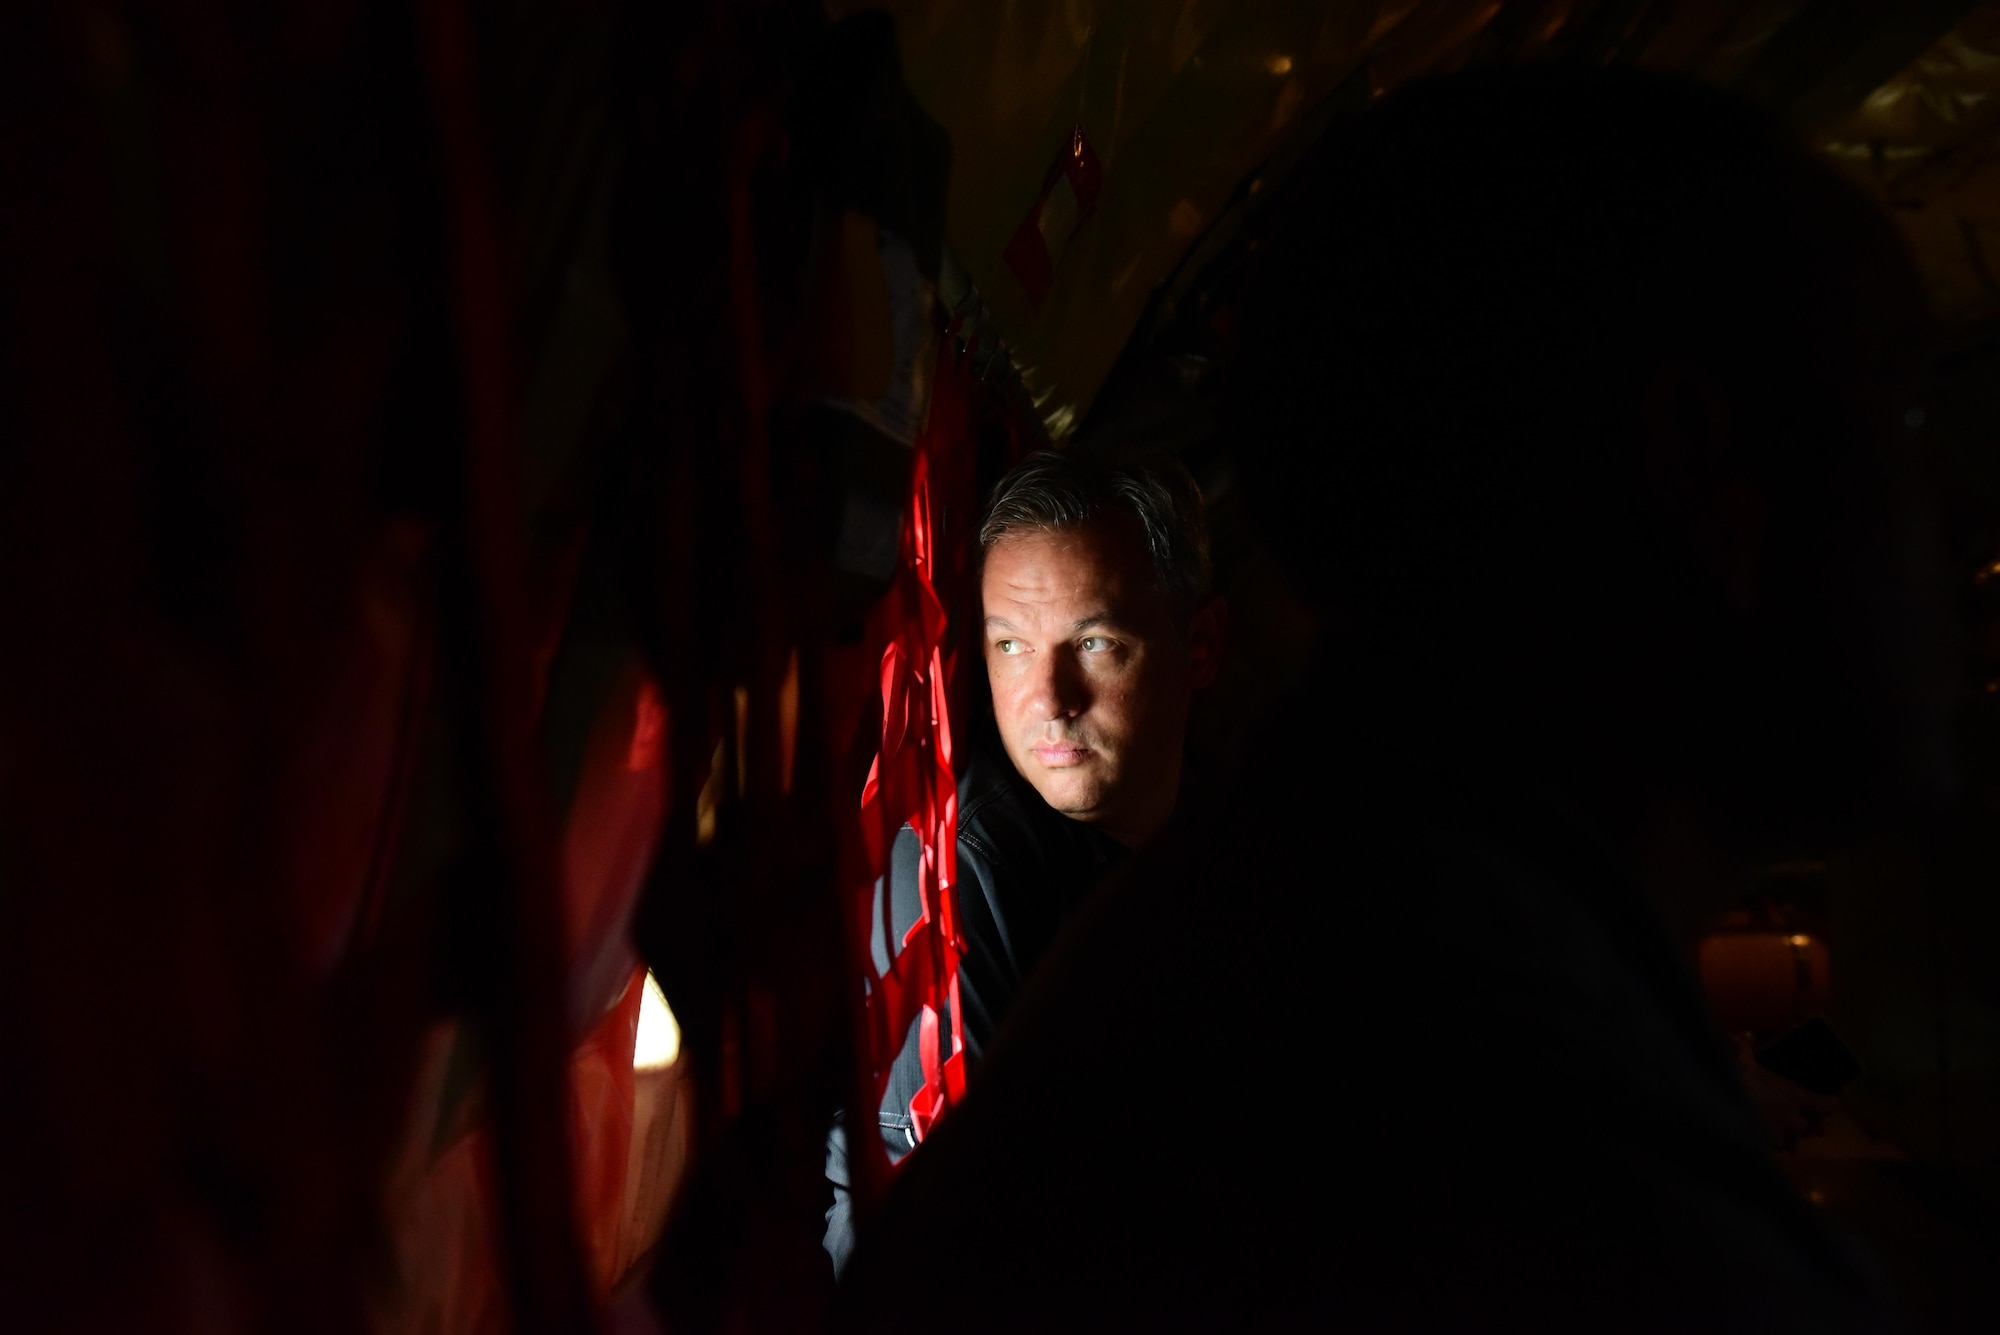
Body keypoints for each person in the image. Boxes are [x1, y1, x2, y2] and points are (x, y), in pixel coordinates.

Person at [835, 65, 1956, 1331]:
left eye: (1095, 644)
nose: (1942, 509)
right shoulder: (1485, 1115)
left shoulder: (1295, 918)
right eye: (1898, 411)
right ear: (1693, 459)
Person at [822, 450, 1226, 1274]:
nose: (1049, 696)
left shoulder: (1228, 833)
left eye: (1095, 641)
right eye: (1010, 645)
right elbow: (977, 1246)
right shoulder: (964, 871)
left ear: (1200, 648)